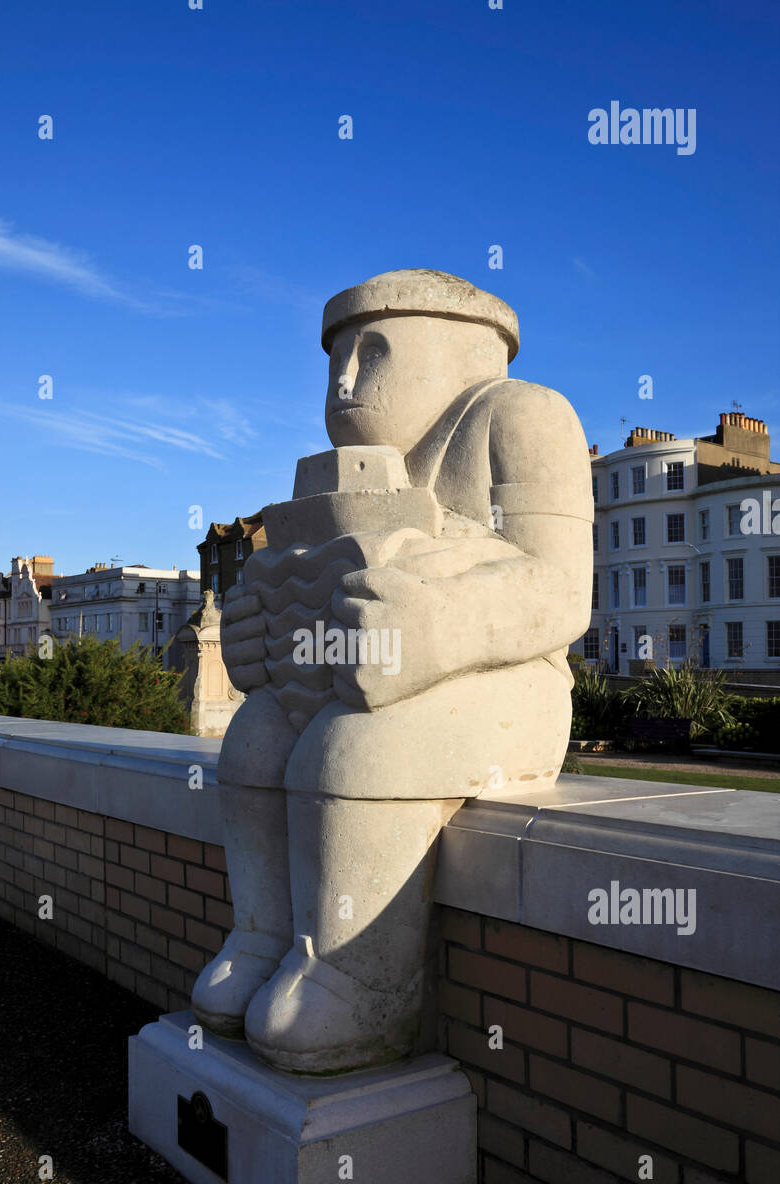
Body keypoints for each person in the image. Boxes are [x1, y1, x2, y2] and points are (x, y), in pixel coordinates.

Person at [191, 269, 593, 1074]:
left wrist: (439, 628)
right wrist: (259, 631)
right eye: (334, 361)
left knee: (353, 752)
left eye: (370, 356)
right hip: (352, 677)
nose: (343, 383)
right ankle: (265, 939)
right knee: (256, 740)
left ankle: (355, 979)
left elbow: (559, 592)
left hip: (506, 682)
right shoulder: (357, 466)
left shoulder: (523, 416)